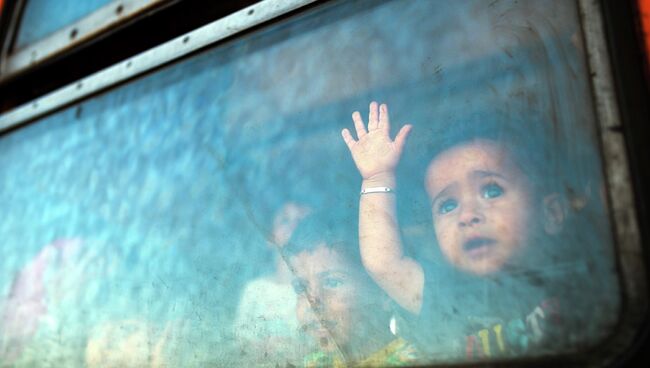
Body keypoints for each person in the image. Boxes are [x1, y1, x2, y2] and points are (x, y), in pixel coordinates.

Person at [340, 101, 607, 360]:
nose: (467, 216)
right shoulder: (447, 297)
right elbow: (384, 263)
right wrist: (377, 177)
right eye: (448, 206)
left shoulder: (585, 280)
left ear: (552, 214)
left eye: (492, 191)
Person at [284, 212, 418, 367]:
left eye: (332, 282)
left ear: (385, 292)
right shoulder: (315, 362)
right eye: (301, 287)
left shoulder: (414, 360)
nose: (312, 302)